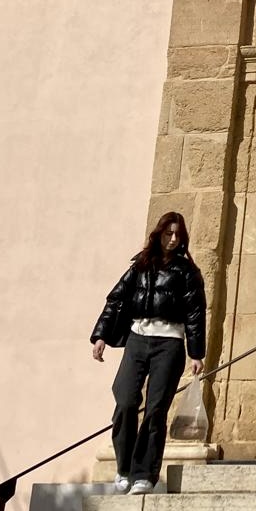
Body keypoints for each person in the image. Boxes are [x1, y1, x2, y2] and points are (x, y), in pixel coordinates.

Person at [91, 210, 206, 495]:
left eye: (178, 235)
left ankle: (144, 474)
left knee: (156, 410)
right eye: (168, 233)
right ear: (159, 234)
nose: (173, 239)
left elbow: (195, 313)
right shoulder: (140, 265)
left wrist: (196, 353)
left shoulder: (188, 272)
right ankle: (124, 467)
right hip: (138, 338)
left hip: (169, 343)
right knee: (126, 400)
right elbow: (115, 299)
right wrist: (101, 335)